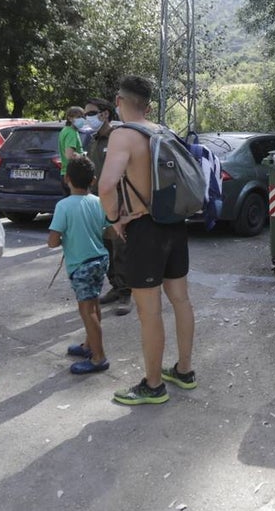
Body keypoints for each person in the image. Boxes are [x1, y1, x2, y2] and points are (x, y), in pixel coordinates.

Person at [99, 75, 196, 405]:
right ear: (149, 105)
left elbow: (106, 185)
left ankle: (153, 385)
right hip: (174, 224)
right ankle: (184, 370)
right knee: (180, 300)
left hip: (144, 230)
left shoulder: (122, 135)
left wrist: (114, 220)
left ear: (118, 100)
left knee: (149, 312)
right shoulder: (162, 131)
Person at [48, 155, 112, 374]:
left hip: (80, 265)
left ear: (67, 179)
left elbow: (52, 241)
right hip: (100, 260)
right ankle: (88, 345)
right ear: (93, 180)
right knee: (94, 305)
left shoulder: (63, 206)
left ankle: (98, 357)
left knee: (87, 311)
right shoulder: (98, 202)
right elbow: (109, 229)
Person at [84, 97, 131, 315]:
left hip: (119, 202)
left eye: (91, 113)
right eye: (86, 114)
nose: (87, 118)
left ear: (105, 114)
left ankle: (126, 293)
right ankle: (115, 286)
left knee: (121, 249)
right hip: (98, 203)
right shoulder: (93, 140)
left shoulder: (117, 138)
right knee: (106, 248)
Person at [58, 105, 87, 185]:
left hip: (66, 173)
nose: (81, 119)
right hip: (73, 174)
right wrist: (84, 156)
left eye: (82, 117)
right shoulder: (71, 132)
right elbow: (70, 155)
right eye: (78, 117)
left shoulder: (65, 130)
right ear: (70, 118)